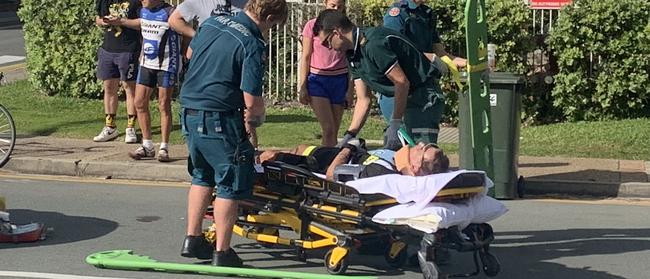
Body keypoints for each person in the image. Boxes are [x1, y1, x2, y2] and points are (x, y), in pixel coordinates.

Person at [178, 0, 287, 267]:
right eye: (274, 26)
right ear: (270, 17)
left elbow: (191, 55)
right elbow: (252, 100)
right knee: (230, 181)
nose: (271, 31)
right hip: (220, 117)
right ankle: (222, 252)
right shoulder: (250, 43)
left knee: (202, 173)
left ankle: (192, 238)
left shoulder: (212, 22)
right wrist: (256, 120)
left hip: (190, 109)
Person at [314, 10, 448, 150]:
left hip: (423, 99)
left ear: (337, 33)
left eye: (327, 42)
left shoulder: (373, 44)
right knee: (395, 156)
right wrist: (350, 134)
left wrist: (395, 124)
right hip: (405, 101)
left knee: (423, 159)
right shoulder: (352, 54)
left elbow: (401, 82)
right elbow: (363, 99)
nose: (328, 48)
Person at [379, 0, 466, 123]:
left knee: (426, 138)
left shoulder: (427, 13)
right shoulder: (397, 14)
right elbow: (394, 50)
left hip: (424, 89)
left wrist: (468, 64)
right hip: (402, 91)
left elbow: (440, 53)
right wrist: (430, 58)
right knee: (402, 139)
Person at [127, 0, 182, 162]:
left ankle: (164, 147)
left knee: (163, 104)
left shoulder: (170, 12)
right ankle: (147, 145)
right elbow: (141, 26)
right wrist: (120, 21)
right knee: (139, 102)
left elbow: (185, 31)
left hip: (166, 64)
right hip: (146, 63)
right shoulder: (143, 11)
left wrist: (185, 52)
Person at [298, 0, 351, 147]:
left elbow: (350, 60)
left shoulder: (346, 27)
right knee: (327, 129)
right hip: (318, 80)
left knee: (333, 131)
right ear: (325, 4)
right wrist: (303, 86)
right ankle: (325, 161)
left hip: (339, 79)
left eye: (340, 7)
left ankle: (327, 162)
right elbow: (306, 56)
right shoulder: (312, 25)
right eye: (333, 5)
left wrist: (350, 89)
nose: (336, 9)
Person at [259, 141, 449, 180]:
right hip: (339, 154)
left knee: (268, 156)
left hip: (321, 165)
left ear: (416, 167)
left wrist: (348, 148)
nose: (420, 143)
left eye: (423, 149)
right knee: (299, 146)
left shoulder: (381, 173)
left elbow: (332, 175)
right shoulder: (395, 160)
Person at [93, 0, 142, 143]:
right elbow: (98, 19)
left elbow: (141, 23)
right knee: (108, 87)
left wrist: (121, 21)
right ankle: (110, 126)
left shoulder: (136, 2)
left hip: (128, 49)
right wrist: (105, 22)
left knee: (129, 88)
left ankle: (131, 128)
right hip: (108, 48)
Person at [168, 0, 248, 41]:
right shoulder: (200, 1)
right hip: (211, 56)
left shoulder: (249, 2)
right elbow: (174, 20)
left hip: (240, 53)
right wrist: (198, 37)